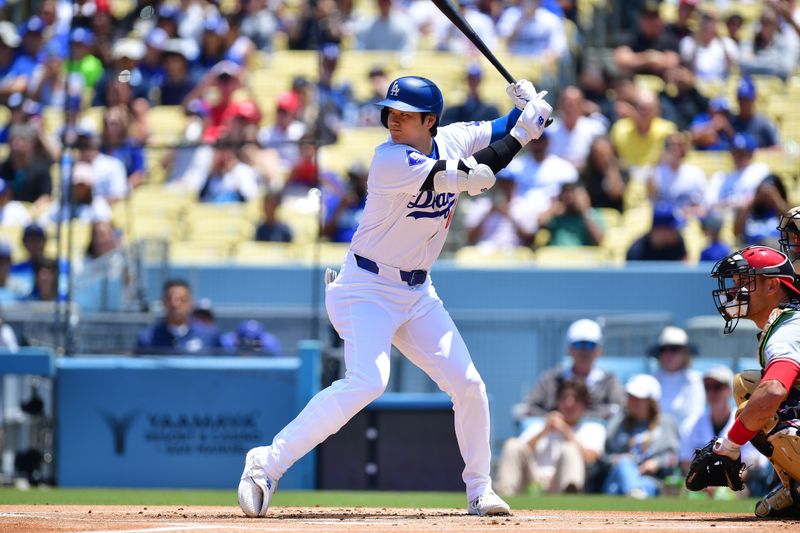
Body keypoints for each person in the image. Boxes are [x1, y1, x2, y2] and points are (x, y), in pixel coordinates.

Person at [237, 75, 553, 517]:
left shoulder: (454, 137)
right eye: (391, 112)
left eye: (405, 115)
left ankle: (480, 489)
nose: (393, 120)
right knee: (369, 380)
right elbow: (478, 177)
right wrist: (526, 131)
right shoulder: (389, 160)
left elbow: (499, 128)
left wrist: (526, 107)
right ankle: (265, 464)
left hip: (418, 291)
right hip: (365, 288)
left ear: (431, 121)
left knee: (469, 385)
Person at [687, 245, 800, 517]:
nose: (735, 290)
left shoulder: (788, 328)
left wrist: (729, 446)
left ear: (773, 285)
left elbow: (774, 390)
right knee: (748, 386)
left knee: (755, 398)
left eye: (745, 281)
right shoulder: (787, 321)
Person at [495, 380, 606, 496]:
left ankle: (571, 496)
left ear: (584, 404)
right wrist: (544, 431)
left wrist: (566, 432)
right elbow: (518, 452)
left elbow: (591, 458)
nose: (569, 403)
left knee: (570, 448)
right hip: (532, 481)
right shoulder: (539, 426)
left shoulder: (594, 428)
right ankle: (505, 495)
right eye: (564, 398)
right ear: (558, 402)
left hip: (559, 483)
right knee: (512, 443)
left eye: (576, 399)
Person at [679, 366, 768, 497]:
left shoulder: (745, 421)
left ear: (728, 390)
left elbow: (753, 463)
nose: (712, 392)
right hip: (699, 486)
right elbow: (685, 462)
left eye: (717, 387)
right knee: (680, 490)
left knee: (734, 493)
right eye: (707, 387)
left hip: (735, 485)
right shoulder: (690, 424)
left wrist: (719, 482)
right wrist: (703, 481)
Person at [515, 318, 624, 421]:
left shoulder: (609, 381)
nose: (584, 351)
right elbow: (528, 407)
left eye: (590, 345)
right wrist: (553, 418)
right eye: (578, 345)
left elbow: (621, 408)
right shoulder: (551, 379)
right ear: (569, 350)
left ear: (599, 351)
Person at [601, 374, 679, 498]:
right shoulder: (617, 423)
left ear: (651, 401)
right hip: (617, 477)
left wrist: (656, 463)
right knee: (624, 464)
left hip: (649, 479)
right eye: (630, 397)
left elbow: (673, 457)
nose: (632, 402)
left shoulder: (666, 423)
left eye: (638, 398)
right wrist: (616, 459)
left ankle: (635, 491)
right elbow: (604, 458)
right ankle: (634, 490)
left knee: (643, 486)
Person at [135, 279, 222, 355]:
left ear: (190, 303)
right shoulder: (148, 339)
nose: (175, 304)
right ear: (163, 302)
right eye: (170, 299)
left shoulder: (209, 336)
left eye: (182, 300)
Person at [650, 326, 705, 438]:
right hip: (655, 440)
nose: (668, 354)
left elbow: (696, 415)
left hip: (686, 440)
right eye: (663, 349)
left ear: (685, 353)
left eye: (674, 349)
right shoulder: (651, 380)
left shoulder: (694, 380)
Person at [546, 86, 607, 171]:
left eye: (573, 104)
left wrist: (595, 112)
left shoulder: (593, 128)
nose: (569, 109)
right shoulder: (548, 129)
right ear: (560, 105)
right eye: (566, 104)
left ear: (582, 106)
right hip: (555, 176)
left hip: (585, 176)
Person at [537, 181, 605, 247]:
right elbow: (539, 223)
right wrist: (553, 209)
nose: (568, 197)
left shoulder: (593, 215)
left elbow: (599, 240)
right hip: (557, 256)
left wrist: (584, 212)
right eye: (565, 192)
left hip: (582, 257)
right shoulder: (558, 216)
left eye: (572, 193)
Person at [734, 175, 789, 248]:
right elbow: (737, 233)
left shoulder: (784, 210)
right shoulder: (749, 212)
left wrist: (776, 199)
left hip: (777, 251)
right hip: (752, 251)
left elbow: (791, 224)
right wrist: (754, 201)